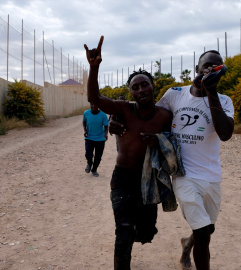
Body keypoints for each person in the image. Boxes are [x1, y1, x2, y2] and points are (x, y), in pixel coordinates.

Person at [109, 50, 234, 270]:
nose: (209, 71)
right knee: (203, 233)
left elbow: (225, 134)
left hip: (211, 175)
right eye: (206, 66)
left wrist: (211, 91)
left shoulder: (224, 101)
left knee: (207, 229)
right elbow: (146, 108)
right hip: (183, 174)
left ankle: (188, 245)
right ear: (197, 69)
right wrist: (116, 116)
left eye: (215, 68)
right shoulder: (175, 94)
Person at [84, 36, 173, 270]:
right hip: (123, 179)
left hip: (149, 180)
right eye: (135, 87)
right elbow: (95, 98)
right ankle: (124, 239)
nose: (141, 89)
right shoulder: (124, 109)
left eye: (145, 84)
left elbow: (176, 144)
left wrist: (160, 141)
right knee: (123, 232)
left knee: (146, 233)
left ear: (153, 86)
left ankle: (132, 233)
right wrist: (94, 68)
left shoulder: (165, 116)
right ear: (130, 93)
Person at [83, 102, 108, 177]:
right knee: (88, 153)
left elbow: (106, 126)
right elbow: (84, 122)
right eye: (92, 104)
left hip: (100, 138)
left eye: (95, 104)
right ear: (90, 105)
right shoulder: (86, 113)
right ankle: (89, 163)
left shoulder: (103, 115)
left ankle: (94, 170)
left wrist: (105, 134)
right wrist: (85, 131)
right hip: (89, 137)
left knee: (98, 156)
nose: (94, 106)